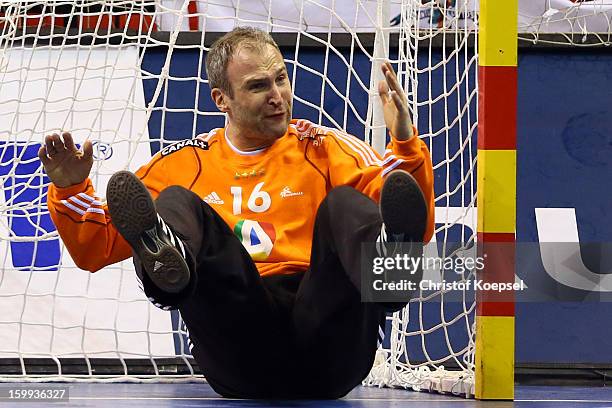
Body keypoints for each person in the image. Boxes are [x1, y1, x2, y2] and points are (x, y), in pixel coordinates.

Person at [39, 27, 435, 399]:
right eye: (258, 86)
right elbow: (96, 246)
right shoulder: (185, 162)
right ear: (221, 100)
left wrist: (404, 145)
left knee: (347, 205)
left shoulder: (324, 147)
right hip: (241, 346)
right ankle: (168, 272)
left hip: (328, 345)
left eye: (281, 79)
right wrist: (70, 187)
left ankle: (389, 273)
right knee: (176, 201)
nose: (277, 95)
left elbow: (413, 217)